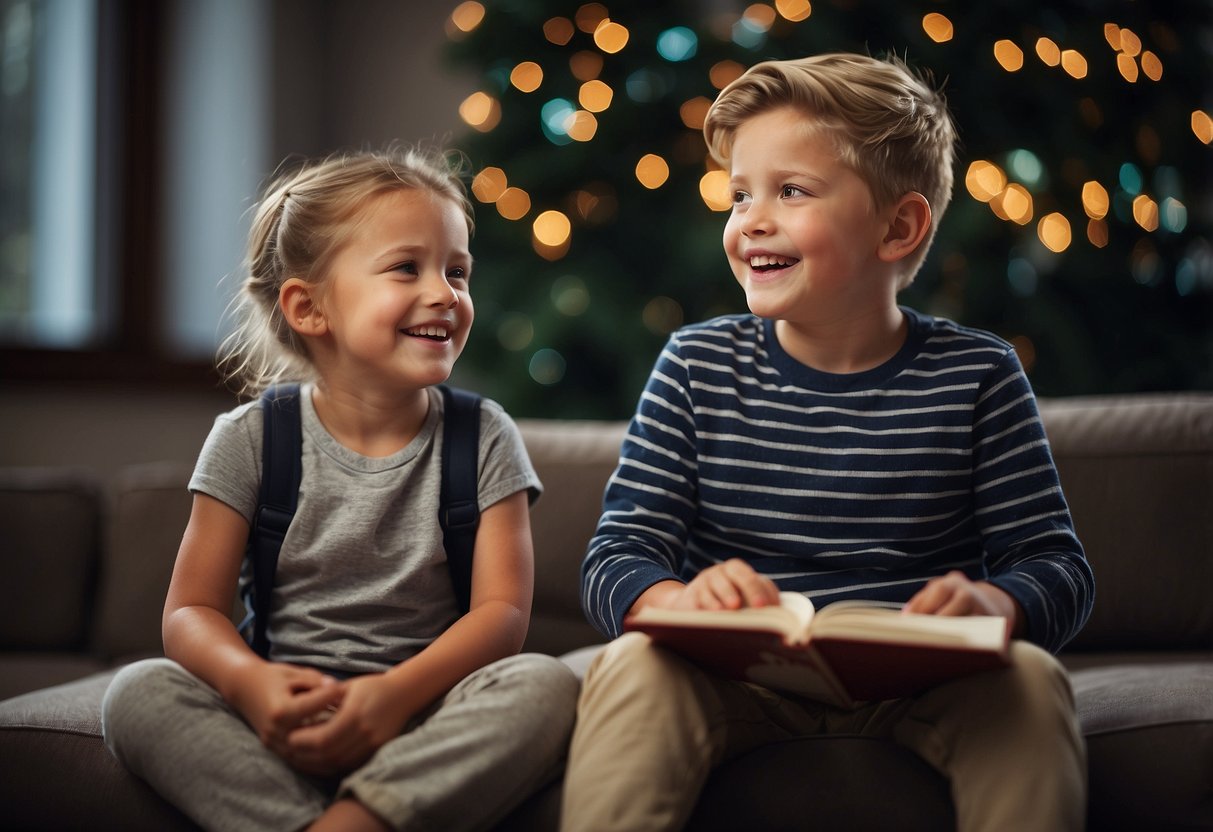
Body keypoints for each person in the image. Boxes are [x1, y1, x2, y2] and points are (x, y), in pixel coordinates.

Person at [562, 53, 1095, 832]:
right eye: (738, 193)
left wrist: (995, 603)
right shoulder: (693, 365)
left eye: (790, 191)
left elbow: (1058, 568)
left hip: (923, 683)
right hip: (734, 676)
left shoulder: (978, 374)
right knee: (634, 667)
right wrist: (677, 600)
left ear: (897, 226)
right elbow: (615, 555)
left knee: (1028, 684)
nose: (750, 219)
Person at [101, 146, 579, 832]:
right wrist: (252, 686)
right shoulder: (250, 439)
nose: (446, 293)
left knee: (545, 686)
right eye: (406, 269)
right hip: (281, 720)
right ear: (309, 307)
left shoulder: (485, 437)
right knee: (137, 692)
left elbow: (501, 614)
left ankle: (362, 819)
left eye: (457, 271)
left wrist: (391, 698)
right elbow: (190, 613)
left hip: (424, 722)